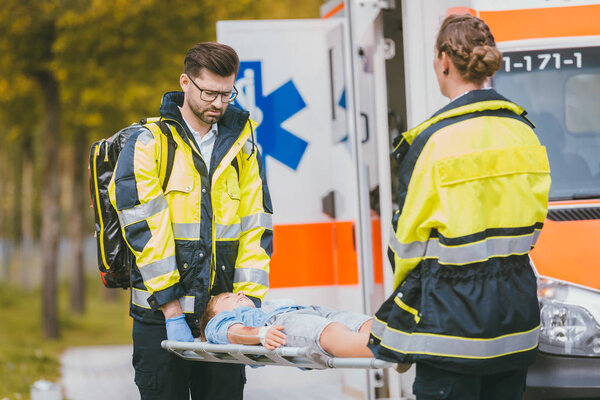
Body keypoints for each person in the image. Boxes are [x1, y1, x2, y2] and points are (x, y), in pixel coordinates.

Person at [368, 14, 551, 400]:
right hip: (515, 325)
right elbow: (534, 225)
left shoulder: (433, 141)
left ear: (445, 60)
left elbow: (406, 246)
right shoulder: (525, 132)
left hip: (448, 331)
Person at [108, 42, 272, 400]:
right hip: (160, 319)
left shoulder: (243, 147)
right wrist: (171, 310)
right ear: (185, 82)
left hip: (221, 319)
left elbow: (256, 229)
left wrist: (248, 309)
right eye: (210, 92)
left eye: (227, 94)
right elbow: (144, 231)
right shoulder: (149, 143)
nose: (218, 103)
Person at [199, 291, 373, 358]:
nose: (239, 293)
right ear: (216, 314)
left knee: (363, 323)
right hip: (279, 325)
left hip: (308, 310)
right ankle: (391, 350)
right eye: (228, 297)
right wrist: (261, 333)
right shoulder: (218, 322)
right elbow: (232, 333)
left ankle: (394, 339)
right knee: (330, 333)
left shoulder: (264, 307)